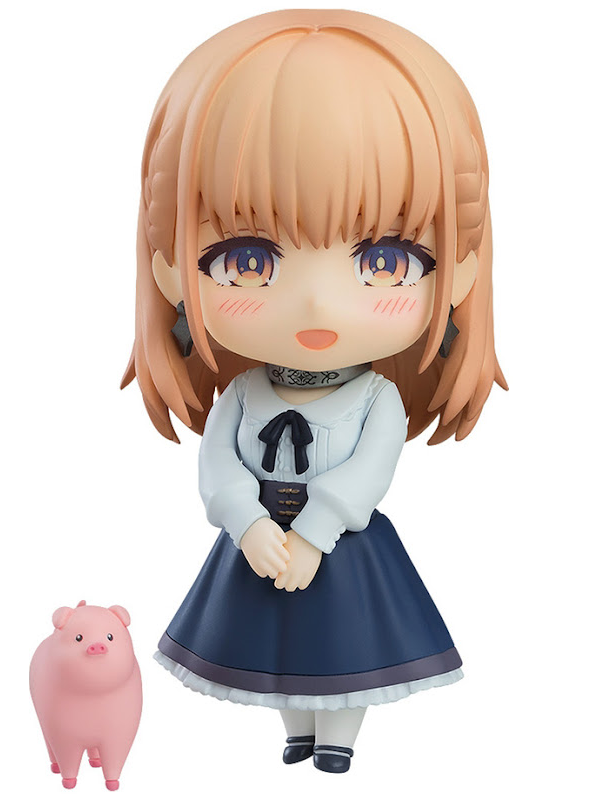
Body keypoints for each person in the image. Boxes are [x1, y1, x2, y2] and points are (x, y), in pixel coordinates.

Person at [122, 9, 506, 773]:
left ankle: (339, 740)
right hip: (260, 536)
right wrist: (246, 523)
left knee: (345, 648)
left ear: (460, 267)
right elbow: (218, 465)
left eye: (386, 260)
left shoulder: (374, 399)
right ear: (170, 267)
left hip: (342, 542)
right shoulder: (244, 392)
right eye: (249, 259)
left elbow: (370, 470)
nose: (318, 305)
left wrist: (319, 530)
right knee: (274, 650)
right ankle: (297, 730)